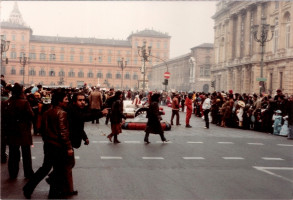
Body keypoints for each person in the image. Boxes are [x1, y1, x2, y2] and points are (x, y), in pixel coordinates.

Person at [39, 89, 76, 199]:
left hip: (48, 144)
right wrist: (69, 147)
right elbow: (63, 131)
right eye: (65, 99)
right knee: (59, 169)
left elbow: (43, 129)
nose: (67, 101)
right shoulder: (62, 113)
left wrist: (46, 140)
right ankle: (54, 193)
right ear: (59, 101)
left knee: (47, 168)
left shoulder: (47, 112)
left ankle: (29, 188)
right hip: (58, 145)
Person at [1, 83, 34, 179]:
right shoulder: (24, 102)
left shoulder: (6, 103)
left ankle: (13, 173)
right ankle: (28, 173)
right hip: (23, 130)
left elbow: (4, 118)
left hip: (11, 130)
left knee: (13, 153)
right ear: (21, 92)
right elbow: (31, 115)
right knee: (26, 153)